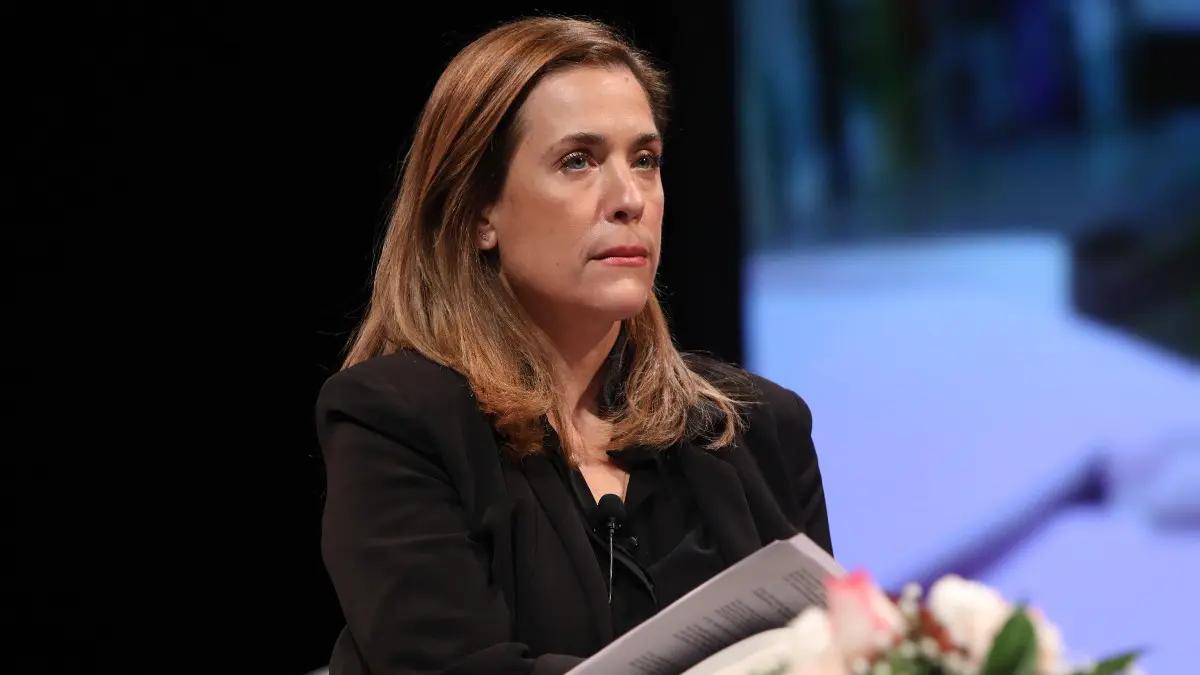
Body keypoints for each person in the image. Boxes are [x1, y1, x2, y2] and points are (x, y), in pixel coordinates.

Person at [316, 16, 832, 675]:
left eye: (645, 160)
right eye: (578, 161)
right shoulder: (396, 423)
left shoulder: (762, 427)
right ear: (478, 212)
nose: (629, 198)